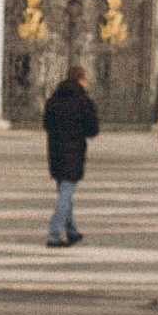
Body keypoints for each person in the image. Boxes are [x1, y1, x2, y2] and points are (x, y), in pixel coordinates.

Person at [42, 68, 98, 248]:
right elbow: (92, 130)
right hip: (74, 152)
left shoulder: (54, 99)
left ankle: (72, 231)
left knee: (64, 191)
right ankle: (54, 234)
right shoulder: (83, 101)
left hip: (55, 151)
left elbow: (46, 124)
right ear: (81, 79)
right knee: (66, 194)